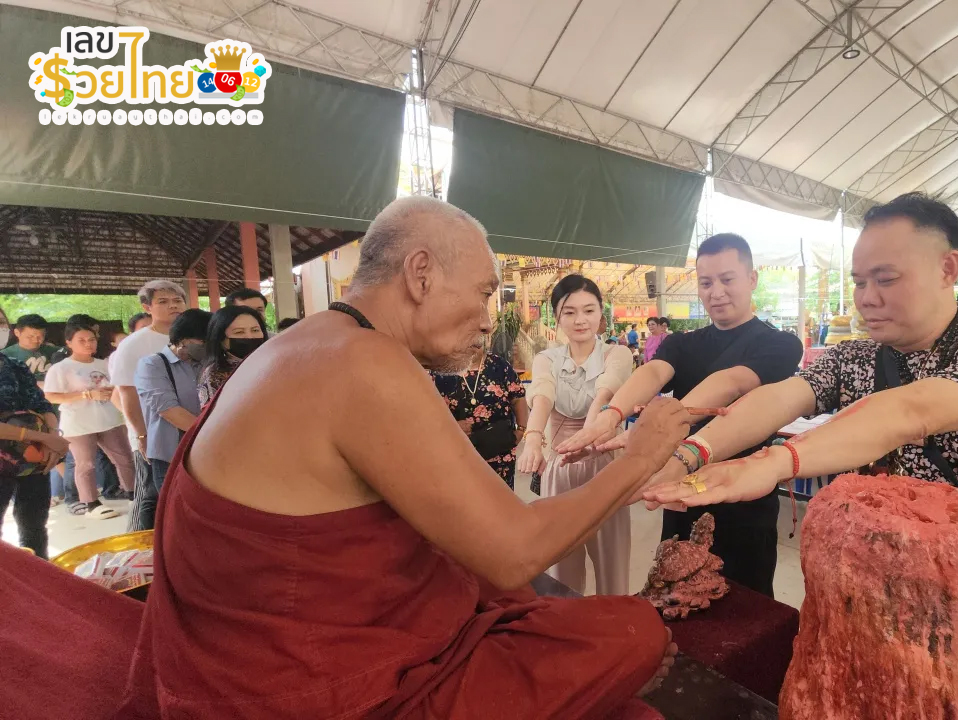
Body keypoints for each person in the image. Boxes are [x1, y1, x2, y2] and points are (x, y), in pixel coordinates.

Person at [117, 197, 684, 719]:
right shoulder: (362, 361)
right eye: (485, 293)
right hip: (309, 690)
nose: (489, 319)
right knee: (634, 632)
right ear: (421, 274)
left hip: (300, 645)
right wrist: (640, 457)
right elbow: (515, 551)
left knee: (569, 625)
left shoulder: (307, 342)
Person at [638, 193, 958, 520]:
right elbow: (780, 398)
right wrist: (690, 454)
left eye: (886, 279)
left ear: (948, 269)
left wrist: (772, 463)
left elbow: (909, 411)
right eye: (858, 282)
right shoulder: (854, 357)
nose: (866, 299)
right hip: (860, 571)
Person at [557, 233, 804, 596]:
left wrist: (654, 423)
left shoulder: (780, 344)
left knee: (746, 605)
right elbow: (653, 373)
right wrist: (611, 415)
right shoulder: (682, 342)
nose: (716, 291)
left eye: (727, 279)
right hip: (677, 488)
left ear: (752, 279)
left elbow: (732, 382)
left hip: (743, 495)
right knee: (675, 593)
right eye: (706, 282)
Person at [516, 275, 635, 595]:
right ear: (556, 317)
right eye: (569, 312)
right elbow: (542, 397)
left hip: (606, 465)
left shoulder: (618, 355)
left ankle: (617, 630)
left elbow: (604, 394)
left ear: (601, 314)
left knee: (612, 559)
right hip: (561, 464)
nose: (580, 319)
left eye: (588, 310)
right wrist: (532, 440)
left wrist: (590, 433)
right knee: (561, 564)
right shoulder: (546, 359)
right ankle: (567, 627)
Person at [40, 316, 135, 519]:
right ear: (69, 343)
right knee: (85, 464)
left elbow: (118, 386)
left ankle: (135, 495)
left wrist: (112, 392)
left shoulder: (105, 364)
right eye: (81, 340)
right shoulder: (61, 368)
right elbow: (51, 396)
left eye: (91, 339)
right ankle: (91, 503)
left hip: (109, 419)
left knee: (125, 459)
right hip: (79, 423)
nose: (88, 344)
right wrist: (86, 395)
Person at [0, 304, 68, 558]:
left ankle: (40, 584)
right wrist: (42, 437)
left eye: (1, 321)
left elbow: (42, 404)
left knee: (34, 528)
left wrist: (52, 437)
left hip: (32, 460)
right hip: (18, 452)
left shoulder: (14, 365)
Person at [133, 309, 210, 530]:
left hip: (206, 452)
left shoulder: (203, 363)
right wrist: (212, 435)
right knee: (176, 515)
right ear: (182, 340)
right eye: (202, 340)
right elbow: (169, 410)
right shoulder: (152, 365)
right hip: (171, 455)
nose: (206, 345)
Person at [433, 345, 528, 490]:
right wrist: (449, 427)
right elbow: (425, 411)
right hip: (458, 453)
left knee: (501, 501)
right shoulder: (440, 370)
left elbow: (518, 396)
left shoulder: (499, 366)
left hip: (500, 451)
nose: (474, 341)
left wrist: (521, 430)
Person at [199, 305, 269, 406]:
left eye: (255, 330)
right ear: (222, 340)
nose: (250, 337)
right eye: (239, 332)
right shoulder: (215, 374)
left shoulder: (273, 364)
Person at [2, 314, 58, 386]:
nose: (36, 340)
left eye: (40, 336)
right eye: (30, 336)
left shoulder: (56, 352)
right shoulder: (5, 356)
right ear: (17, 333)